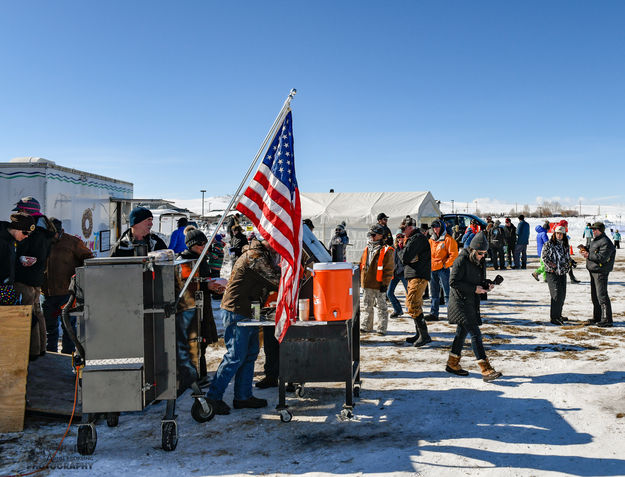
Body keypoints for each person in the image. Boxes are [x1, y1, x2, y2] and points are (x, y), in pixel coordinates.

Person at [205, 238, 281, 415]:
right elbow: (275, 279)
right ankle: (213, 398)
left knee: (250, 352)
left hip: (251, 308)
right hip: (237, 309)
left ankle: (243, 396)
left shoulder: (263, 254)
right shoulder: (255, 255)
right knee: (235, 355)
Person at [445, 232, 502, 382]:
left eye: (485, 253)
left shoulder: (479, 260)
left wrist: (486, 284)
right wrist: (474, 289)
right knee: (475, 333)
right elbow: (453, 282)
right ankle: (486, 369)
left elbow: (477, 279)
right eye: (480, 253)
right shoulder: (461, 259)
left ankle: (452, 363)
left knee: (461, 333)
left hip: (471, 301)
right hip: (460, 302)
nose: (483, 256)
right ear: (472, 250)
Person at [175, 229, 225, 393]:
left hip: (204, 304)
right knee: (193, 341)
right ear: (191, 245)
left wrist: (213, 287)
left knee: (202, 341)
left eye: (205, 243)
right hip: (190, 308)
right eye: (200, 244)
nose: (204, 247)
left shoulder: (202, 259)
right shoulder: (184, 261)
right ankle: (193, 376)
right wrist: (207, 286)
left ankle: (201, 374)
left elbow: (204, 280)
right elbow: (184, 287)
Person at [13, 197, 57, 359]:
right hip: (36, 279)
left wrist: (19, 258)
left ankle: (31, 352)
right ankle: (40, 348)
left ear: (28, 212)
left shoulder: (34, 232)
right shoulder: (43, 229)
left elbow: (29, 256)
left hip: (24, 279)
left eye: (20, 211)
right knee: (36, 312)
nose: (18, 214)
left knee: (26, 313)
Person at [42, 218, 93, 354]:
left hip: (67, 294)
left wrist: (80, 278)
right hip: (48, 294)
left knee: (68, 327)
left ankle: (67, 355)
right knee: (50, 328)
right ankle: (51, 355)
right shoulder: (44, 241)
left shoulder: (72, 242)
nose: (54, 236)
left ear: (60, 231)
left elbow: (88, 258)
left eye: (55, 233)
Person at [399, 218, 432, 347]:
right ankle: (420, 334)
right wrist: (405, 254)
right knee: (414, 304)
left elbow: (404, 257)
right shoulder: (413, 239)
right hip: (414, 275)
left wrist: (401, 248)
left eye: (403, 229)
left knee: (412, 304)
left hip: (418, 275)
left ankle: (424, 335)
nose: (402, 232)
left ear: (410, 227)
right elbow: (406, 258)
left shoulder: (417, 238)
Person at [359, 224, 394, 335]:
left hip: (379, 284)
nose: (372, 237)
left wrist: (385, 284)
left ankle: (381, 328)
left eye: (374, 235)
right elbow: (362, 264)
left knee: (381, 307)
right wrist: (361, 280)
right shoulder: (367, 248)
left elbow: (389, 269)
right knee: (367, 306)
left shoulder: (386, 250)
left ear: (380, 236)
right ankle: (366, 326)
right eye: (371, 235)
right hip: (367, 283)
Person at [579, 222, 616, 327]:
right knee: (595, 296)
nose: (593, 231)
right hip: (593, 271)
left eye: (595, 229)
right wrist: (585, 249)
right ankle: (598, 317)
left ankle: (607, 319)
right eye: (593, 230)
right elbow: (593, 251)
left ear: (601, 230)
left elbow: (602, 258)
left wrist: (588, 255)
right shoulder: (596, 240)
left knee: (602, 296)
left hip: (600, 272)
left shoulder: (606, 242)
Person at [425, 220, 458, 321]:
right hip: (432, 269)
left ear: (442, 227)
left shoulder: (448, 239)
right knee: (434, 293)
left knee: (448, 293)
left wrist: (445, 264)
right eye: (433, 227)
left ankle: (451, 314)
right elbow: (427, 254)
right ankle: (434, 313)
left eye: (437, 227)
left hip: (443, 270)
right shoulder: (431, 240)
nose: (435, 229)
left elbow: (454, 254)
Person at [1, 213, 36, 306]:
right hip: (3, 287)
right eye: (25, 232)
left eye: (29, 233)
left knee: (9, 318)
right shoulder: (2, 240)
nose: (26, 236)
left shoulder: (12, 240)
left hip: (7, 287)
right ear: (16, 228)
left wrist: (20, 260)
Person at [541, 225, 571, 326]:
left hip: (562, 272)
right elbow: (544, 257)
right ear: (554, 234)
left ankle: (559, 315)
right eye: (557, 233)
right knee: (556, 294)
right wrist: (552, 266)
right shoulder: (549, 244)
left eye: (561, 234)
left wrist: (569, 264)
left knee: (562, 295)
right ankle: (554, 317)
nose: (559, 235)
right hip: (552, 273)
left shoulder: (565, 244)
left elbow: (567, 257)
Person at [388, 231, 408, 318]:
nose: (400, 239)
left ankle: (414, 310)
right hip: (395, 273)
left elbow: (404, 259)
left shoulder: (407, 247)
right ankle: (398, 310)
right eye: (398, 237)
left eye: (402, 237)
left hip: (404, 273)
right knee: (389, 293)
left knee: (410, 293)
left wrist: (401, 246)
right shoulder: (393, 248)